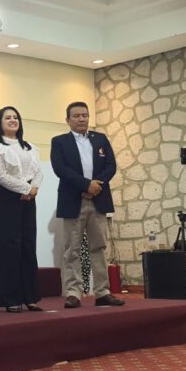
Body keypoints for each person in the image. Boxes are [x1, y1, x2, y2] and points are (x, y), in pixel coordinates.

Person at [50, 102, 125, 309]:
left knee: (99, 247)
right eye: (76, 116)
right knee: (72, 249)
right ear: (68, 120)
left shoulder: (100, 139)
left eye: (85, 115)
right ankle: (73, 293)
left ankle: (103, 292)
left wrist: (95, 186)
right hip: (73, 200)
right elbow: (60, 169)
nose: (81, 119)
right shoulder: (59, 142)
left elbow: (111, 165)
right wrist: (85, 185)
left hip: (98, 199)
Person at [0, 106, 44, 313]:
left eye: (15, 117)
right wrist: (26, 188)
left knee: (28, 244)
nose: (12, 120)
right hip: (5, 198)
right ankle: (10, 298)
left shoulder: (29, 147)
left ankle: (30, 297)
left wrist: (33, 189)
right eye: (7, 118)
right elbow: (0, 175)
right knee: (8, 247)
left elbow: (38, 172)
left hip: (28, 198)